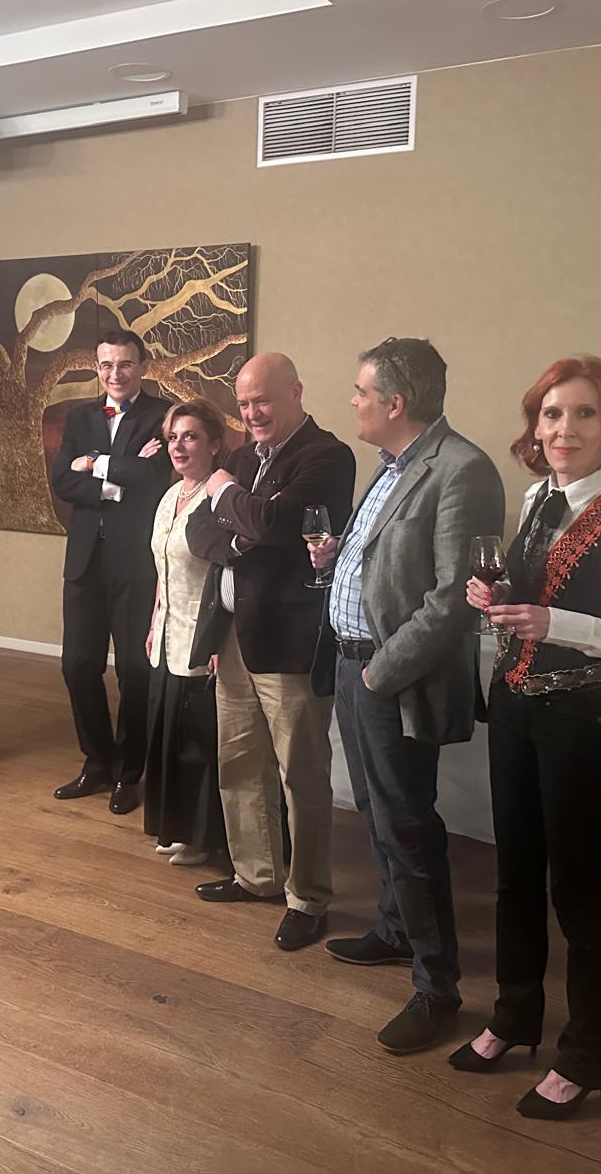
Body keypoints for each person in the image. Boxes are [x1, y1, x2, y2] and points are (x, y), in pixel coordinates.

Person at [452, 355, 601, 1120]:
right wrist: (496, 594)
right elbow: (533, 596)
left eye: (585, 414)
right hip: (515, 706)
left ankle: (586, 1054)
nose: (564, 429)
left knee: (577, 888)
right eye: (552, 414)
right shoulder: (538, 497)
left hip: (583, 718)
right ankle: (515, 1016)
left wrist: (557, 623)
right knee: (514, 874)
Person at [308, 338, 504, 1054]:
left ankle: (437, 988)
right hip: (353, 667)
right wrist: (338, 561)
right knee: (376, 813)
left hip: (390, 679)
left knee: (407, 827)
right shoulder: (391, 464)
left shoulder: (462, 470)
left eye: (361, 392)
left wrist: (379, 672)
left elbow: (454, 597)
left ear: (396, 403)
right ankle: (395, 930)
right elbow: (389, 566)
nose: (353, 402)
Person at [185, 352, 356, 951]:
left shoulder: (328, 456)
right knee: (238, 762)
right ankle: (256, 876)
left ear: (295, 393)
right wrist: (243, 530)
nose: (251, 412)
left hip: (289, 642)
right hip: (232, 635)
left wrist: (233, 505)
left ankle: (308, 898)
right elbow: (199, 532)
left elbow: (279, 522)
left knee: (300, 775)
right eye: (244, 403)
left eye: (262, 400)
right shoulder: (239, 458)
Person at [50, 329, 173, 814]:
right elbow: (62, 480)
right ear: (96, 368)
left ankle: (130, 771)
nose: (114, 374)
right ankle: (97, 760)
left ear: (142, 366)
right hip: (84, 560)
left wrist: (93, 463)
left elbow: (153, 476)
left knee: (134, 670)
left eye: (124, 364)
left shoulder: (162, 416)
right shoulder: (79, 417)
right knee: (77, 665)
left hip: (135, 561)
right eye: (106, 365)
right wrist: (116, 475)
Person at [143, 399, 230, 867]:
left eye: (191, 436)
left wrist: (218, 641)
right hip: (167, 633)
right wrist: (153, 621)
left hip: (201, 637)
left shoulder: (218, 500)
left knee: (197, 743)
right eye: (173, 437)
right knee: (168, 735)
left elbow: (224, 576)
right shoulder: (169, 496)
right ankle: (174, 828)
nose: (179, 446)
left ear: (214, 444)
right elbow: (163, 566)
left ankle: (202, 838)